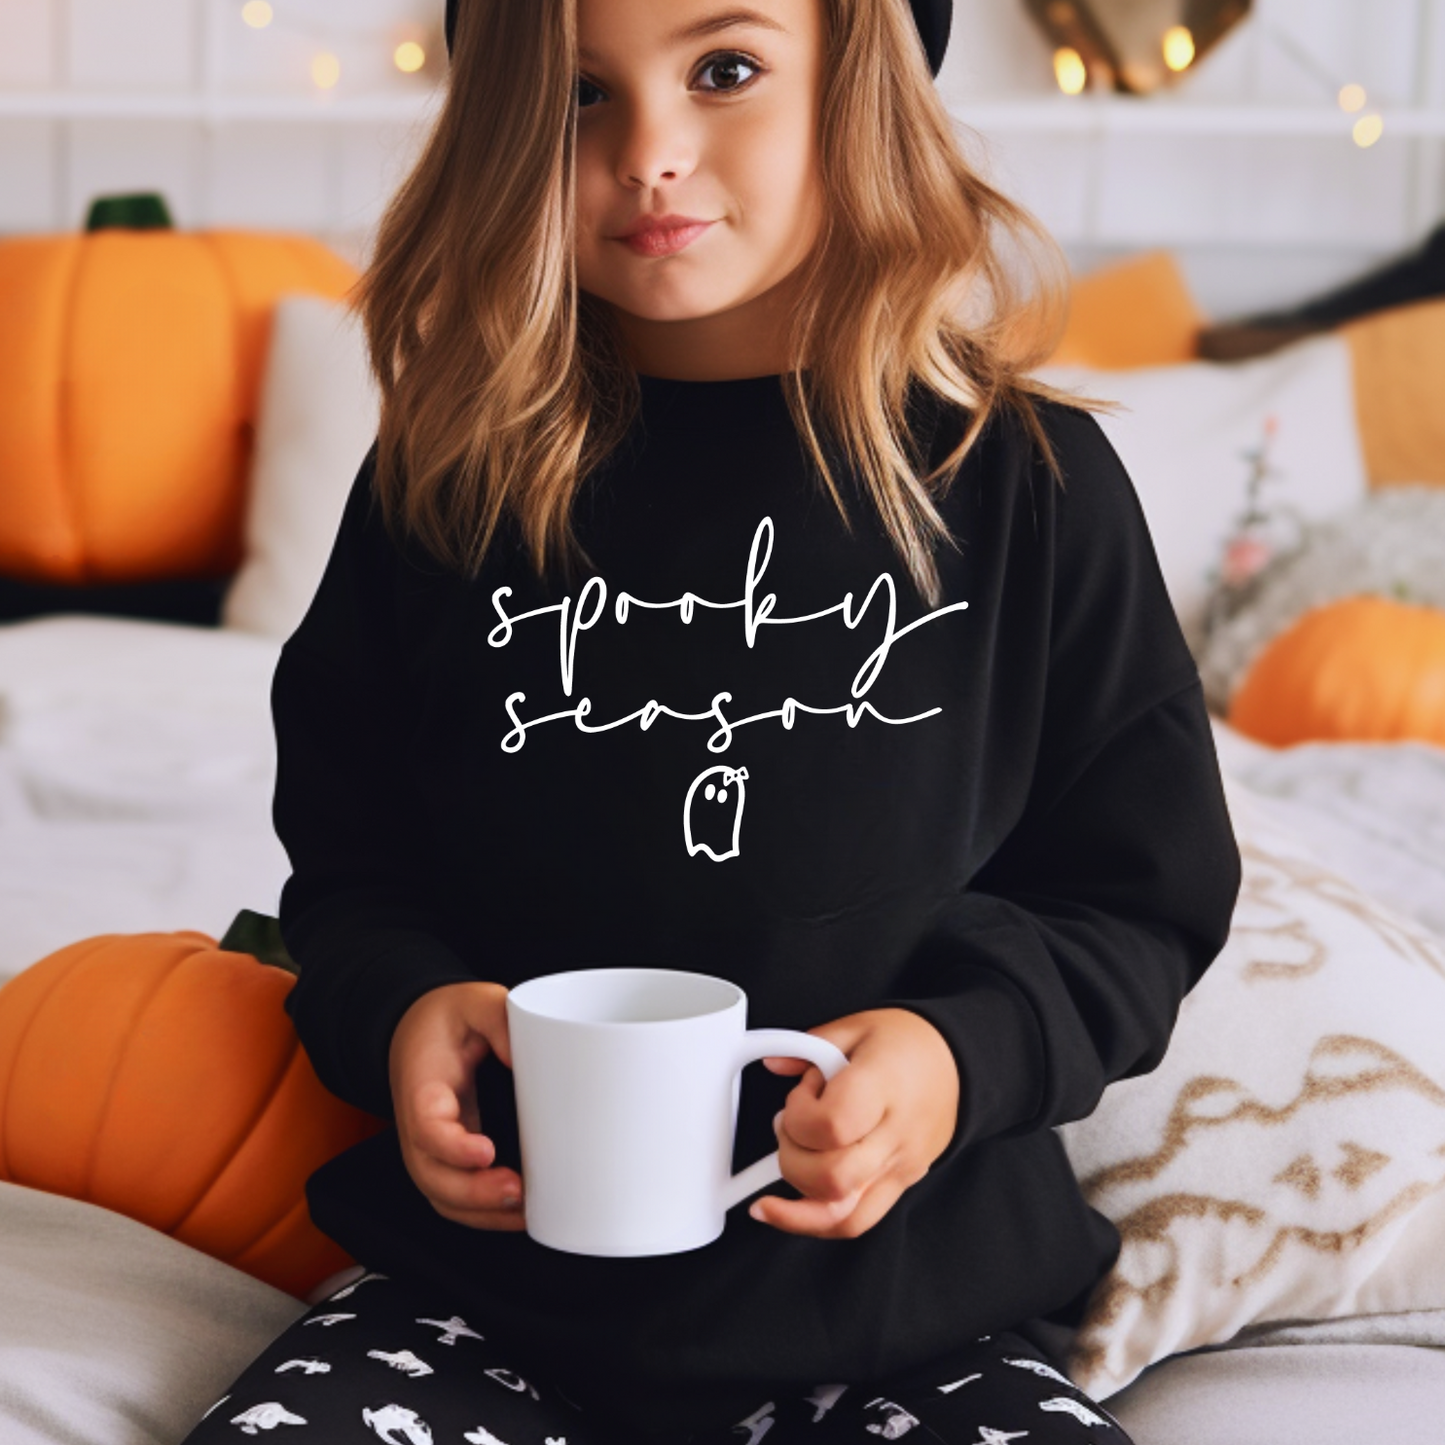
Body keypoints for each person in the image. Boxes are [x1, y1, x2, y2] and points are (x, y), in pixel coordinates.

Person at [179, 0, 1242, 1440]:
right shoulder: (444, 483)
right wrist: (404, 1015)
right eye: (576, 97)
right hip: (482, 1300)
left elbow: (1138, 901)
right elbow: (354, 865)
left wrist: (954, 1058)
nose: (650, 155)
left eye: (725, 71)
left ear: (856, 87)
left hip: (908, 1314)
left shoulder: (1027, 488)